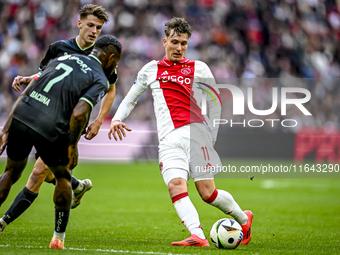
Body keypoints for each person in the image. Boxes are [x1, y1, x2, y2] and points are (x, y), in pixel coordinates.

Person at [108, 17, 253, 247]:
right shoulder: (151, 69)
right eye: (175, 42)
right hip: (169, 139)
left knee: (208, 193)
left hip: (198, 135)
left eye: (184, 43)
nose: (179, 47)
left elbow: (215, 102)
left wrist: (212, 136)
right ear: (165, 41)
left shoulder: (199, 68)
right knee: (176, 185)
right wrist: (116, 119)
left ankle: (244, 219)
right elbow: (131, 98)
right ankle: (198, 235)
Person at [0, 4, 116, 234]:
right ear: (79, 23)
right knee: (50, 173)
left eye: (99, 28)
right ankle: (76, 186)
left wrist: (98, 119)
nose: (94, 31)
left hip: (67, 123)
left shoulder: (101, 57)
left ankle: (4, 222)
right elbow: (46, 75)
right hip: (40, 114)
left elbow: (110, 89)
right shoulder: (59, 48)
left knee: (37, 173)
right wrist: (28, 78)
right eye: (91, 25)